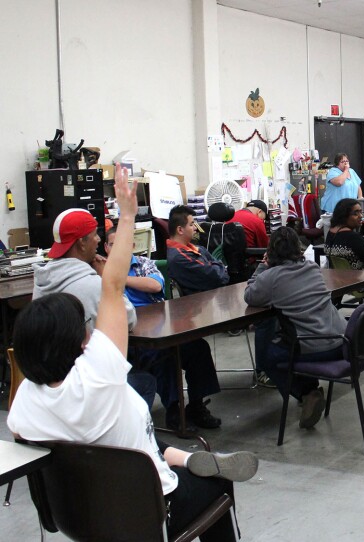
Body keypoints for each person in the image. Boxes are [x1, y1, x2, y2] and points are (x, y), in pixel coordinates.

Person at [8, 165, 258, 542]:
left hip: (79, 514)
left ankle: (184, 458)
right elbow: (112, 290)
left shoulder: (23, 404)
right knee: (216, 483)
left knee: (126, 431)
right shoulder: (99, 376)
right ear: (77, 343)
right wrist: (127, 216)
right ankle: (191, 464)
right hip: (148, 509)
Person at [31, 209, 152, 407]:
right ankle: (133, 436)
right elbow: (129, 319)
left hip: (52, 383)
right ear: (81, 242)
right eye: (95, 234)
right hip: (87, 387)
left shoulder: (43, 281)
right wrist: (109, 280)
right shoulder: (92, 285)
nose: (98, 240)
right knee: (147, 379)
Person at [104, 229, 222, 430]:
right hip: (128, 337)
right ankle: (175, 410)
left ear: (132, 246)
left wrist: (119, 279)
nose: (119, 250)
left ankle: (196, 404)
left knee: (197, 348)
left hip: (159, 325)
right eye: (113, 245)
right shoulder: (100, 270)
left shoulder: (143, 264)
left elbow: (155, 285)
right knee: (164, 355)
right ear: (106, 248)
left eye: (124, 244)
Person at [245, 227, 347, 429]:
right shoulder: (312, 267)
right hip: (340, 339)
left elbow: (250, 294)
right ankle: (310, 392)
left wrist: (263, 266)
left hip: (314, 347)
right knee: (291, 342)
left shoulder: (271, 277)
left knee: (268, 357)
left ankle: (305, 393)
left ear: (271, 251)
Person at [166, 205, 230, 295]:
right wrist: (219, 266)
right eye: (191, 224)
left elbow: (221, 274)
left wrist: (217, 268)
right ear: (180, 230)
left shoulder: (198, 249)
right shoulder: (179, 258)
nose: (195, 228)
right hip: (198, 303)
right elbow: (218, 277)